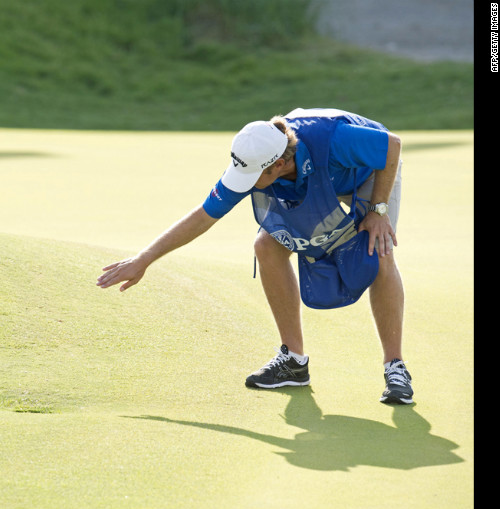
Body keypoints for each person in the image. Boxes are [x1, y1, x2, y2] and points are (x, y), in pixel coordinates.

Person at [97, 108, 413, 404]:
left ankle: (395, 367)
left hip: (369, 172)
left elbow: (392, 147)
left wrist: (378, 210)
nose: (243, 184)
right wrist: (145, 258)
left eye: (251, 177)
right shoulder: (255, 161)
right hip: (310, 181)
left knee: (378, 247)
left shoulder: (333, 139)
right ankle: (293, 361)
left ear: (278, 164)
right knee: (266, 246)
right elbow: (204, 216)